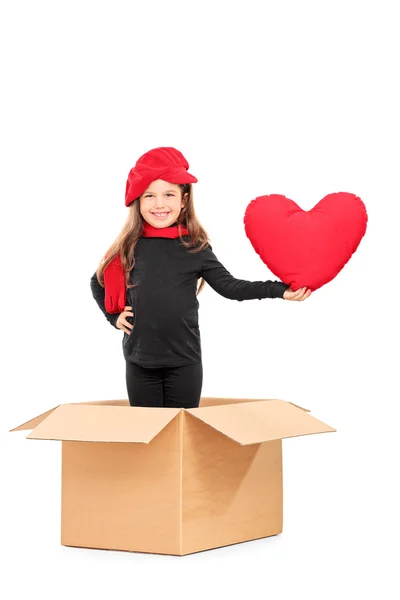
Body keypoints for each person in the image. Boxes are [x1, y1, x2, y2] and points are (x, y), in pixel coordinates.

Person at [90, 146, 311, 409]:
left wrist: (279, 290)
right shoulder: (128, 246)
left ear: (183, 200)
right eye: (149, 195)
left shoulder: (195, 247)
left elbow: (230, 287)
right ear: (138, 201)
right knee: (148, 437)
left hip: (184, 363)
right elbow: (97, 282)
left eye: (168, 194)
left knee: (182, 436)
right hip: (139, 362)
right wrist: (114, 318)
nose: (159, 204)